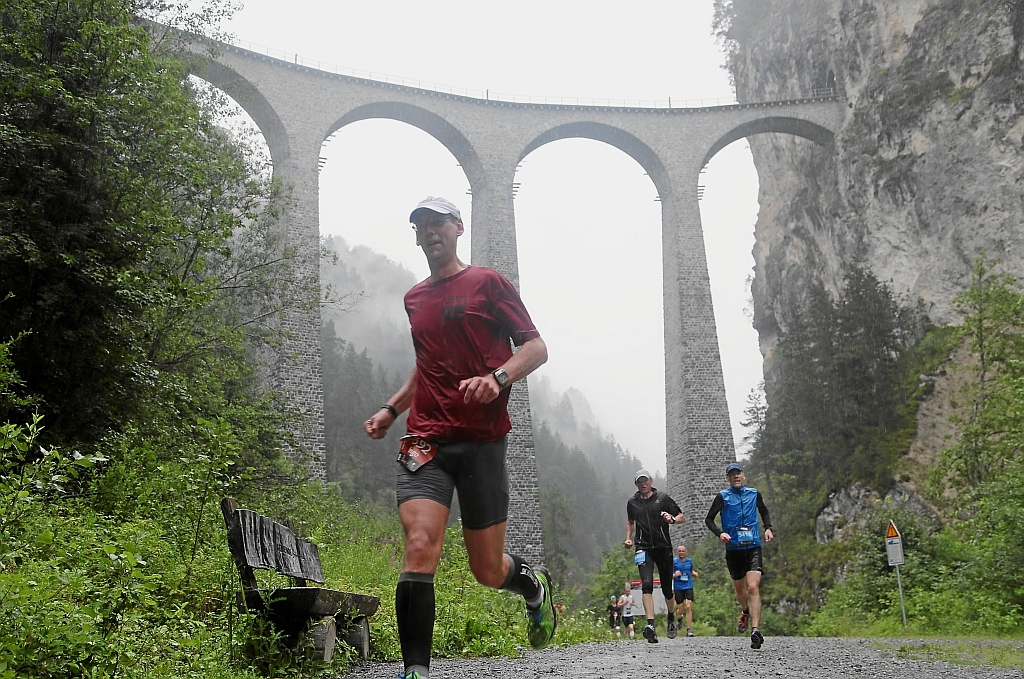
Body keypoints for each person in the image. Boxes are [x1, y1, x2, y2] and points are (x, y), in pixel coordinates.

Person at [364, 197, 555, 679]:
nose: (430, 231)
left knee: (487, 570)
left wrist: (498, 378)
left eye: (438, 223)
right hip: (424, 440)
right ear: (416, 236)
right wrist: (392, 408)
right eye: (421, 225)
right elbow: (426, 365)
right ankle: (416, 671)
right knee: (419, 543)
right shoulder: (414, 298)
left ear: (458, 228)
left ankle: (533, 586)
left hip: (481, 443)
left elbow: (535, 347)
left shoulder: (487, 283)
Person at [705, 462, 774, 650]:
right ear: (727, 478)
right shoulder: (722, 497)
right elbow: (709, 519)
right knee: (740, 591)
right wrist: (720, 533)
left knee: (753, 586)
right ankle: (745, 611)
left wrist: (768, 528)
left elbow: (764, 510)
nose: (736, 476)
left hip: (753, 546)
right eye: (732, 474)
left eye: (738, 473)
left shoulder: (754, 493)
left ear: (743, 476)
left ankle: (756, 630)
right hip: (733, 549)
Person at [624, 469, 685, 643]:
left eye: (645, 481)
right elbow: (630, 522)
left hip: (663, 547)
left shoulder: (663, 498)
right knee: (647, 584)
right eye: (639, 482)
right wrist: (628, 538)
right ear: (636, 484)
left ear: (651, 481)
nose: (643, 484)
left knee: (667, 589)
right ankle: (650, 626)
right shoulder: (632, 503)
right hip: (643, 548)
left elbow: (682, 517)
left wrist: (671, 519)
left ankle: (671, 617)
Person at [672, 544, 699, 637]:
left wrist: (694, 573)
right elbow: (668, 575)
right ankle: (679, 618)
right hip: (678, 587)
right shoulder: (674, 562)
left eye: (683, 551)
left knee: (688, 606)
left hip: (688, 586)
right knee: (680, 609)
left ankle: (689, 629)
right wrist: (675, 575)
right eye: (679, 551)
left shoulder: (689, 561)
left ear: (685, 552)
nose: (681, 553)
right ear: (677, 552)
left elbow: (691, 571)